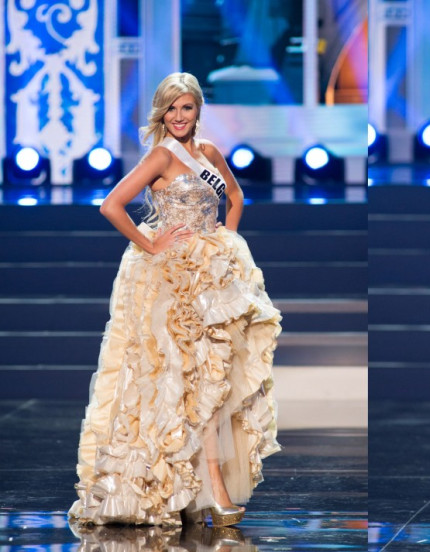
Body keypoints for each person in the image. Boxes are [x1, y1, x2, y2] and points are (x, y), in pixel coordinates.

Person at [68, 72, 281, 527]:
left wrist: (229, 240)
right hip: (170, 282)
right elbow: (111, 205)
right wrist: (151, 245)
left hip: (213, 278)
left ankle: (203, 491)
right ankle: (202, 491)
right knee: (179, 385)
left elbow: (236, 196)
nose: (179, 116)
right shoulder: (161, 156)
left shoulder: (208, 153)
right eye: (171, 108)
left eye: (186, 107)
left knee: (213, 382)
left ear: (198, 110)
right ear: (162, 112)